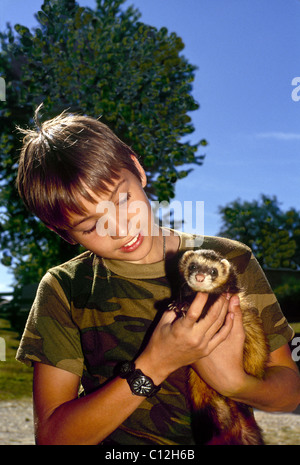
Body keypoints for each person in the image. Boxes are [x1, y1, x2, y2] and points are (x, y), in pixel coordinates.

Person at [16, 107, 300, 445]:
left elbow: (290, 392)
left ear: (137, 169)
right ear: (63, 231)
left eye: (122, 200)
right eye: (91, 226)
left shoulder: (231, 259)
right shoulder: (64, 289)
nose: (119, 229)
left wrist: (234, 383)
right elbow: (52, 438)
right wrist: (154, 365)